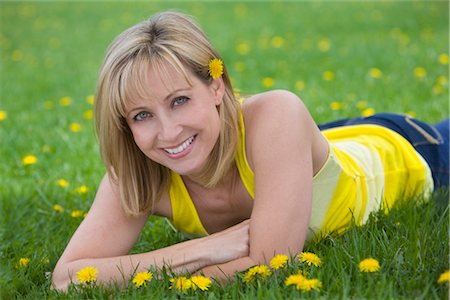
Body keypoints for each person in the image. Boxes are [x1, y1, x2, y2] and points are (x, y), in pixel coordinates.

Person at [52, 11, 449, 291]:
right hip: (293, 150)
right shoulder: (136, 168)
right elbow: (68, 278)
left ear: (217, 86)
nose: (168, 133)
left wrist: (123, 273)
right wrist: (202, 250)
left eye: (179, 100)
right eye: (142, 115)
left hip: (409, 150)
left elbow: (270, 262)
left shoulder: (278, 112)